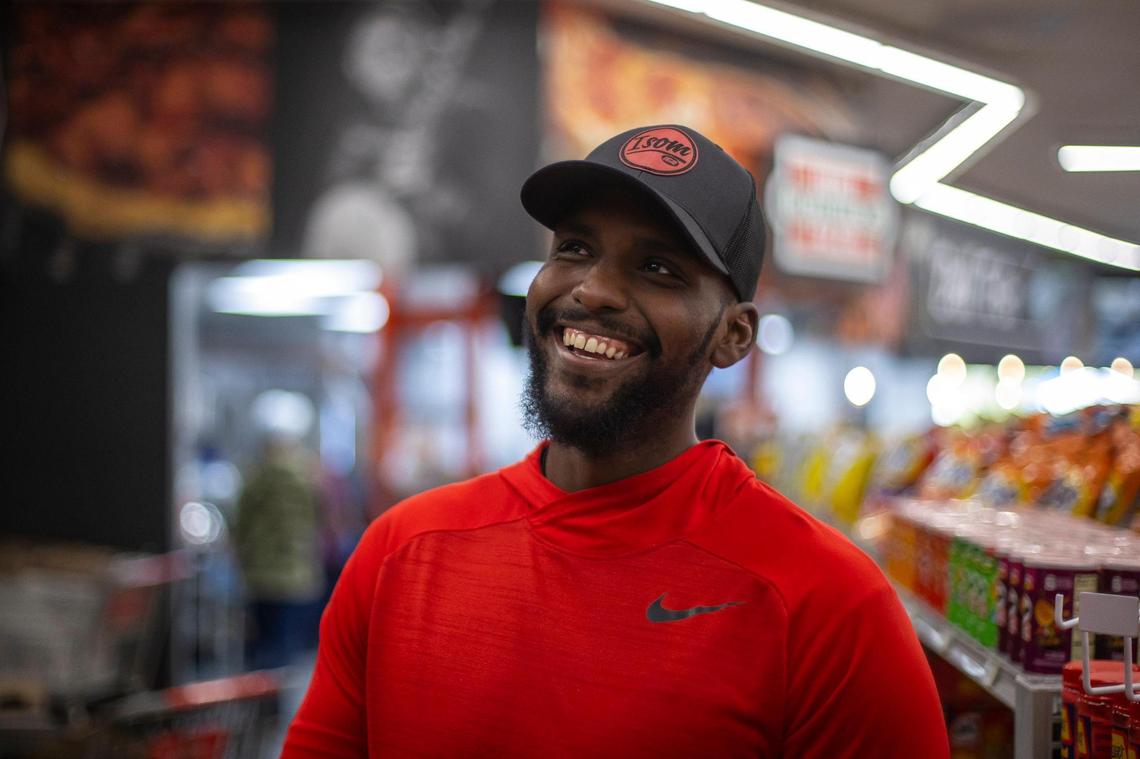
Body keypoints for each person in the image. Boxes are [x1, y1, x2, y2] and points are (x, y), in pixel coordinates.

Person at [281, 125, 949, 757]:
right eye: (574, 247)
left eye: (658, 267)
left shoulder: (831, 608)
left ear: (734, 334)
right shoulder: (401, 554)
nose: (593, 290)